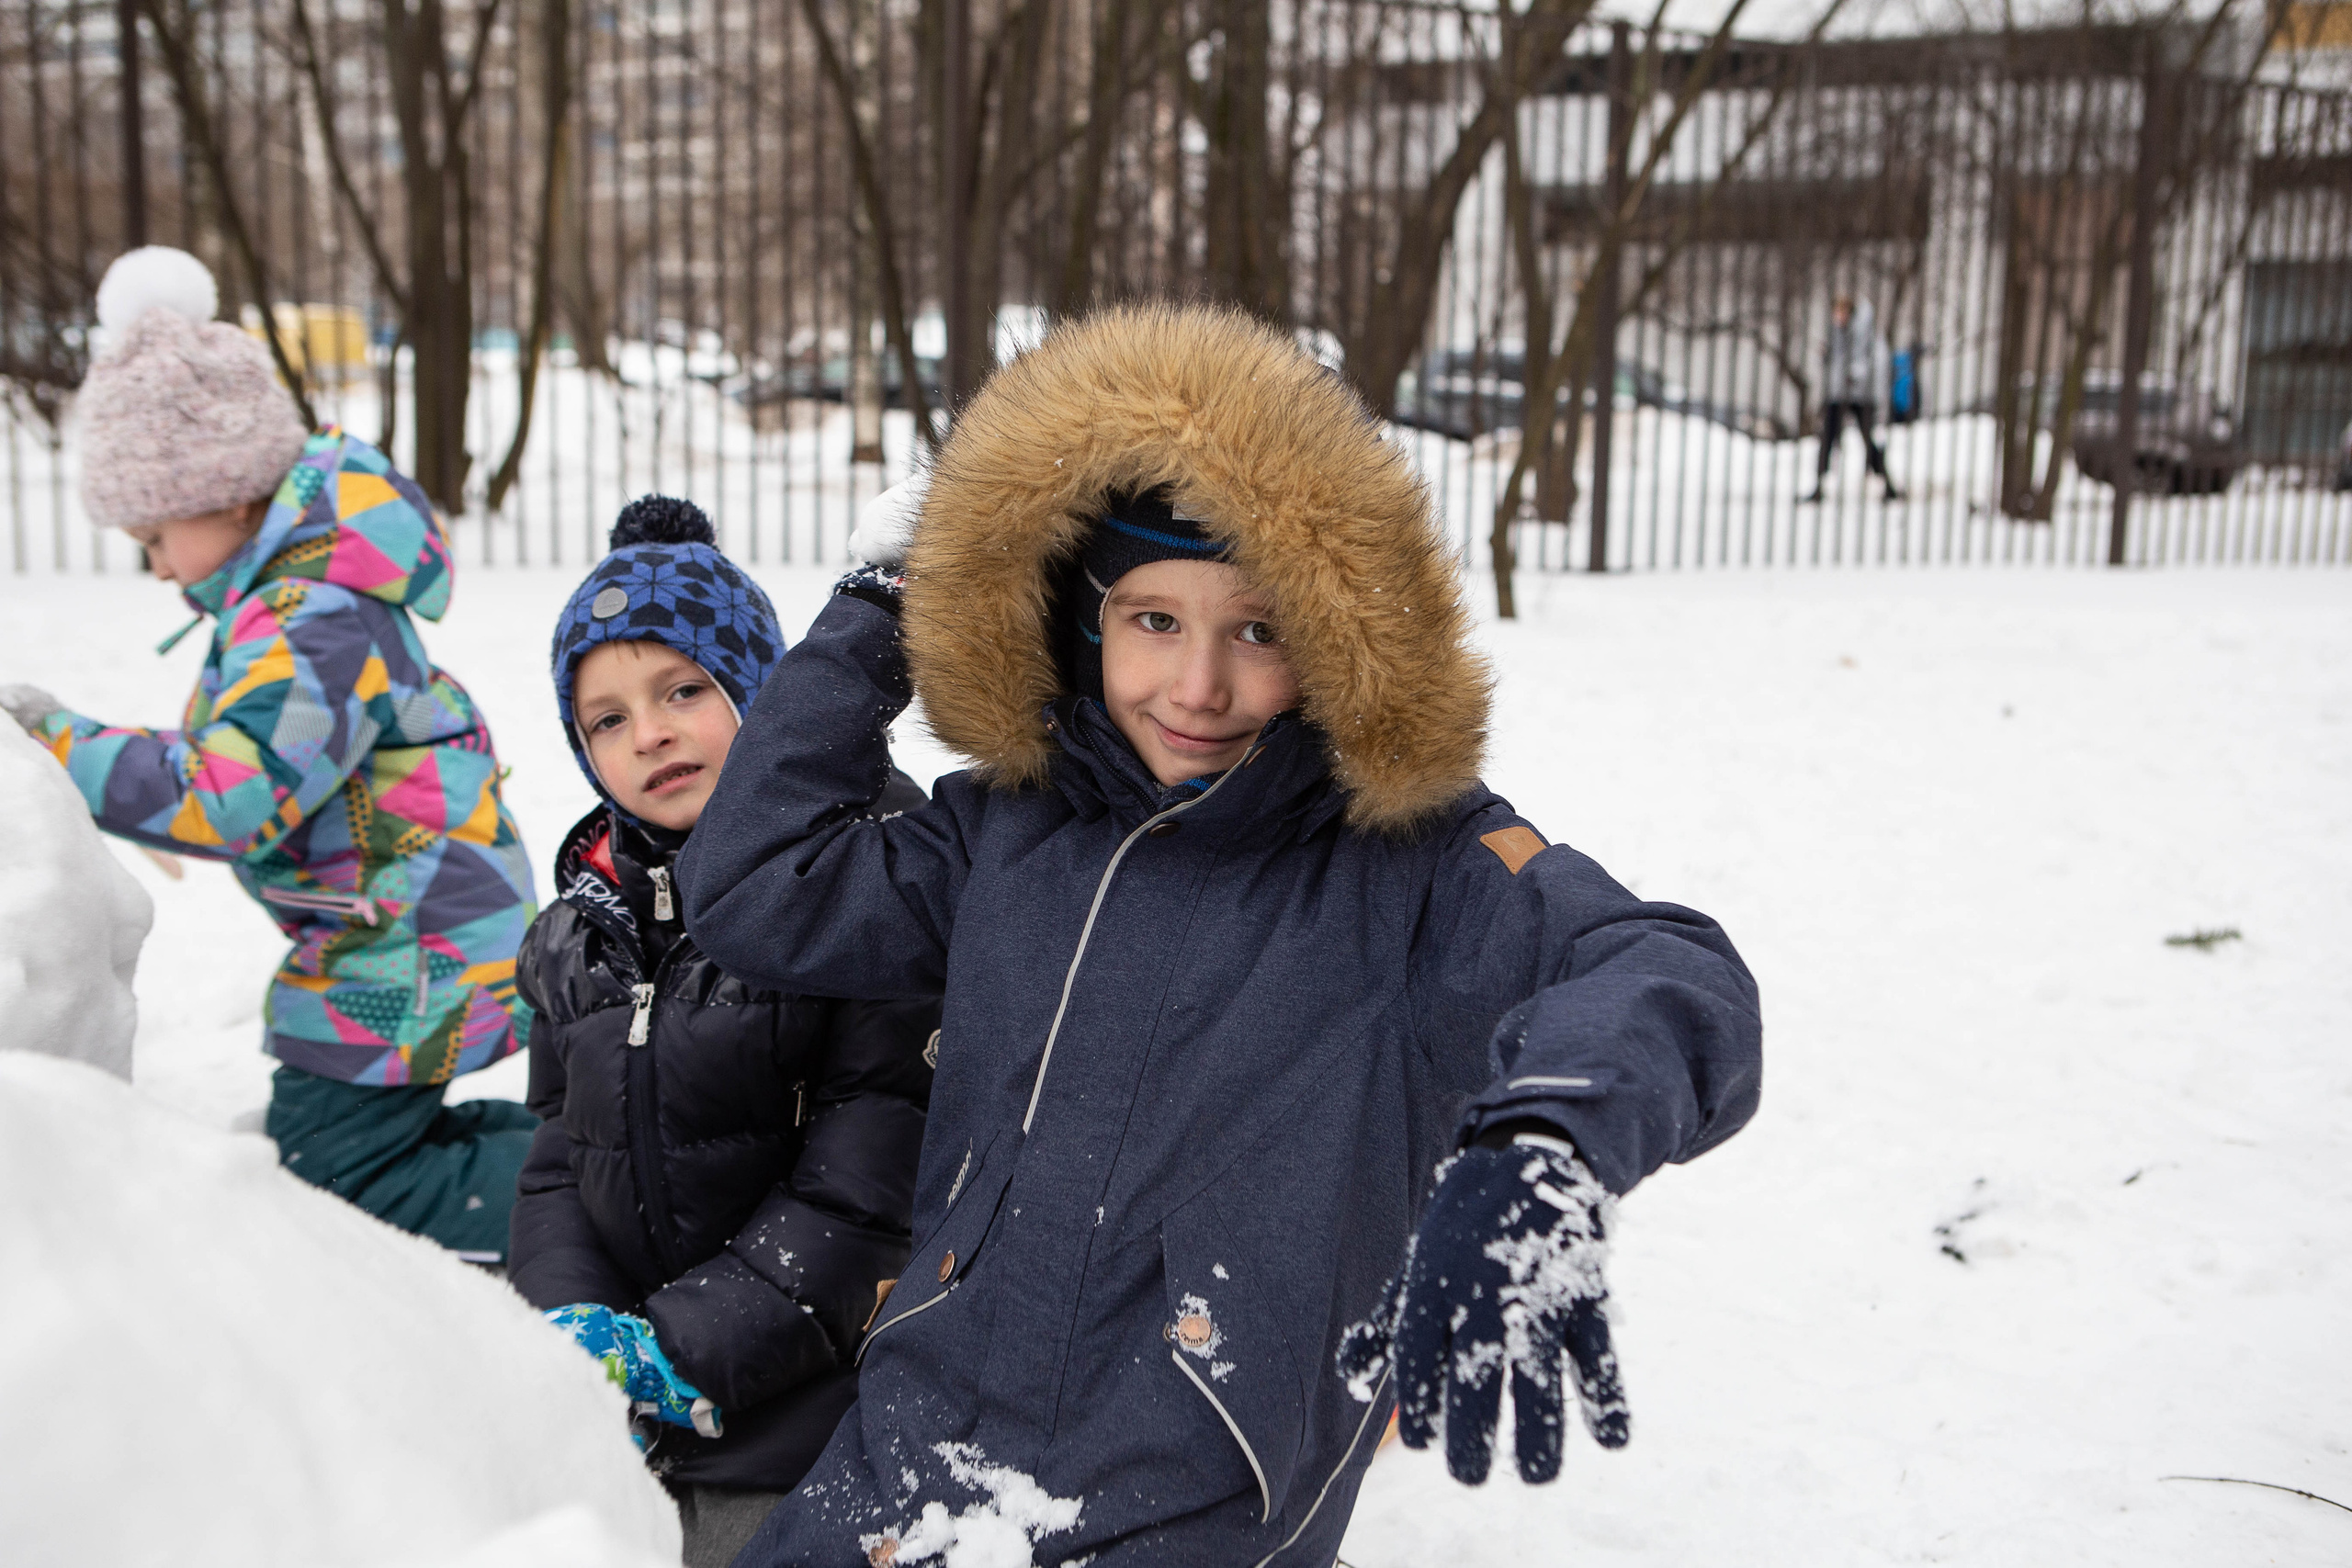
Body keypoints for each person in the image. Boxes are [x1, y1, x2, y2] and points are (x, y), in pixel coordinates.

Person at [676, 304, 1761, 1567]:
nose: (1197, 688)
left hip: (1195, 1511)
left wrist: (1548, 1142)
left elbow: (1663, 968)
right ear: (1082, 623)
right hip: (906, 1460)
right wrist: (888, 601)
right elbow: (758, 883)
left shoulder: (1416, 867)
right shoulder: (1008, 832)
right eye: (1154, 621)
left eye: (1259, 630)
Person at [0, 247, 537, 1260]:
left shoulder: (310, 616)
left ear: (227, 493)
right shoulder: (299, 600)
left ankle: (612, 1198)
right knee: (364, 1141)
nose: (156, 568)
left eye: (155, 535)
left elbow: (231, 794)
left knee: (340, 1172)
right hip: (400, 925)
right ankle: (595, 1161)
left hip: (407, 942)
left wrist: (60, 744)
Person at [509, 496, 938, 1568]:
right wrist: (574, 1332)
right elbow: (557, 1157)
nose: (648, 733)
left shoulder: (859, 890)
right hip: (632, 1424)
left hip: (825, 1414)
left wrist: (676, 1350)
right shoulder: (577, 934)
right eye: (606, 720)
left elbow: (871, 1187)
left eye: (683, 691)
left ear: (760, 692)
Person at [1804, 292, 1904, 503]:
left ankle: (1888, 485)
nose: (1837, 316)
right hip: (1838, 394)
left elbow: (1874, 360)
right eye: (1836, 311)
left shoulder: (1864, 333)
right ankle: (1818, 485)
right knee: (1827, 438)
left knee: (1868, 441)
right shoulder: (1836, 332)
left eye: (1841, 311)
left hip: (1861, 396)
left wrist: (1855, 375)